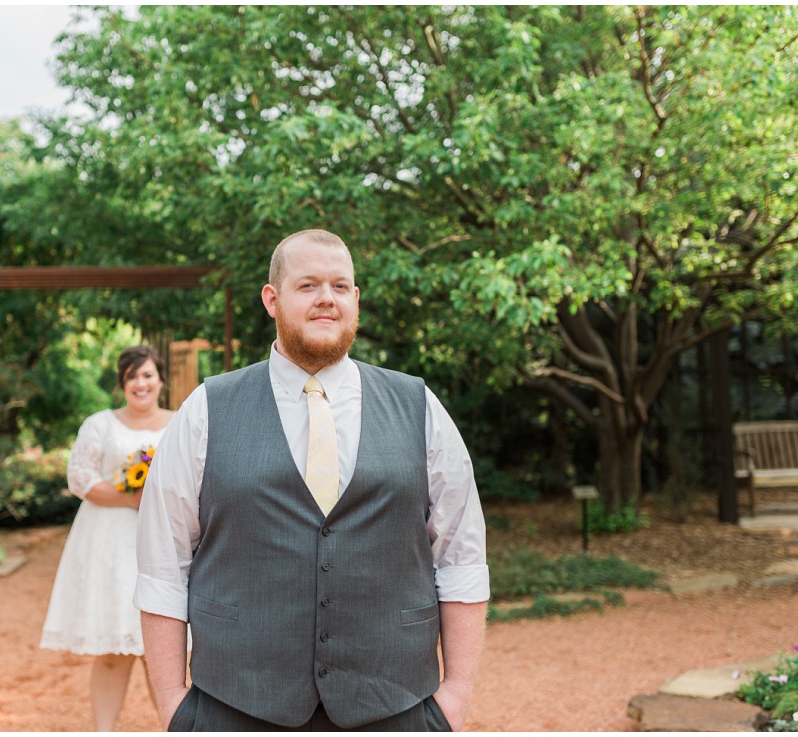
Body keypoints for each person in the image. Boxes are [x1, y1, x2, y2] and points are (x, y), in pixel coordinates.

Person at [135, 229, 490, 731]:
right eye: (308, 286)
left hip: (397, 706)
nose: (327, 298)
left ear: (356, 300)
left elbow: (461, 559)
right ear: (272, 299)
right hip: (233, 708)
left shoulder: (420, 407)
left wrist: (456, 695)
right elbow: (162, 566)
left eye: (340, 287)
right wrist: (175, 706)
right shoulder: (205, 411)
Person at [40, 344, 173, 732]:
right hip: (111, 544)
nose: (140, 383)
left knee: (161, 650)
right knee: (116, 648)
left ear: (160, 379)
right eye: (132, 377)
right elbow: (80, 478)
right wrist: (134, 499)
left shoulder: (182, 420)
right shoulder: (101, 423)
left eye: (147, 374)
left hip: (163, 542)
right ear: (122, 384)